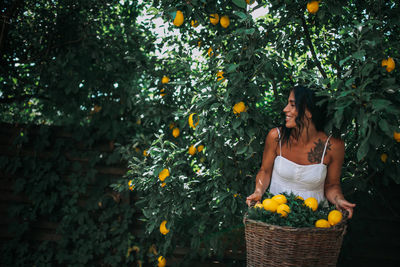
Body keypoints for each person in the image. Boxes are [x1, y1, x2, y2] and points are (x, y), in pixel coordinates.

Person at [246, 86, 356, 218]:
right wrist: (258, 191)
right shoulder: (276, 137)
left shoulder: (334, 146)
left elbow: (332, 185)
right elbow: (265, 171)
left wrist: (339, 200)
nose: (285, 109)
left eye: (292, 105)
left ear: (309, 112)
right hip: (276, 218)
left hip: (314, 222)